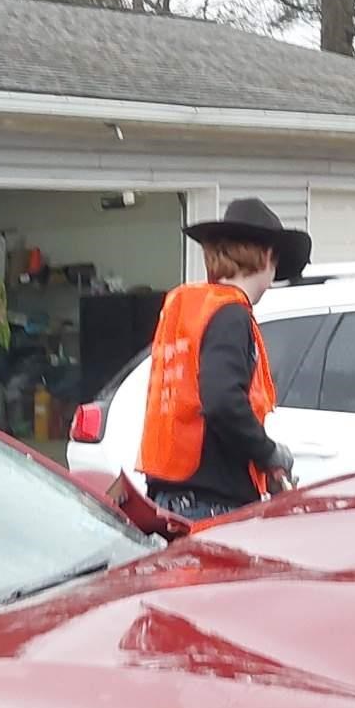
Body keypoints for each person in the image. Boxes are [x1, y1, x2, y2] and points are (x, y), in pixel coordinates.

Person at [138, 197, 313, 523]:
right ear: (268, 257)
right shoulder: (232, 314)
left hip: (173, 495)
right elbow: (222, 400)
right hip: (212, 503)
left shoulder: (188, 308)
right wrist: (267, 452)